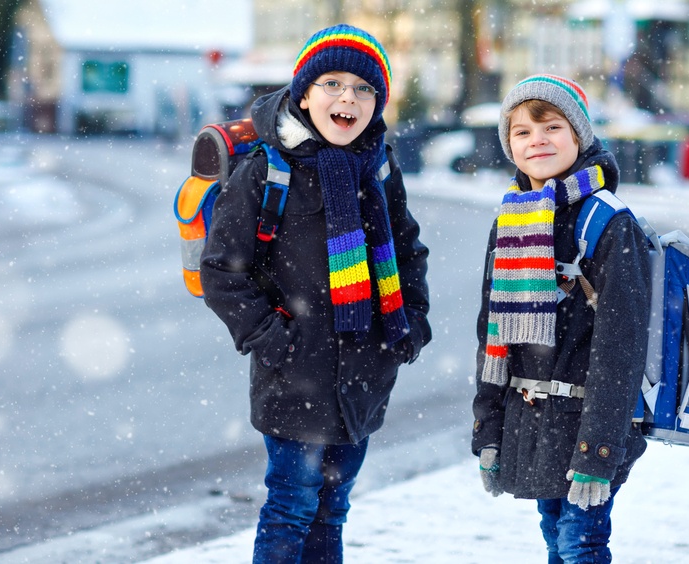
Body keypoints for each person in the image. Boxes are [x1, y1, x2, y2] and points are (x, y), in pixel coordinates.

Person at [199, 24, 431, 564]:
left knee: (333, 508)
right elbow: (222, 271)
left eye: (363, 88)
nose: (347, 97)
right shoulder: (268, 170)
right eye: (332, 83)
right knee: (291, 505)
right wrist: (272, 338)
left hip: (365, 374)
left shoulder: (379, 167)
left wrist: (411, 323)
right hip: (294, 376)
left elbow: (407, 247)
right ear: (304, 95)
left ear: (376, 104)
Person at [471, 74, 651, 563]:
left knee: (581, 544)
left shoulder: (609, 222)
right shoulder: (511, 221)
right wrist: (488, 430)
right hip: (535, 419)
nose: (538, 141)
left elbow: (621, 346)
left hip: (593, 422)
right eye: (522, 132)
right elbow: (492, 333)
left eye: (551, 126)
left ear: (579, 136)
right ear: (509, 145)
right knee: (556, 537)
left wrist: (597, 452)